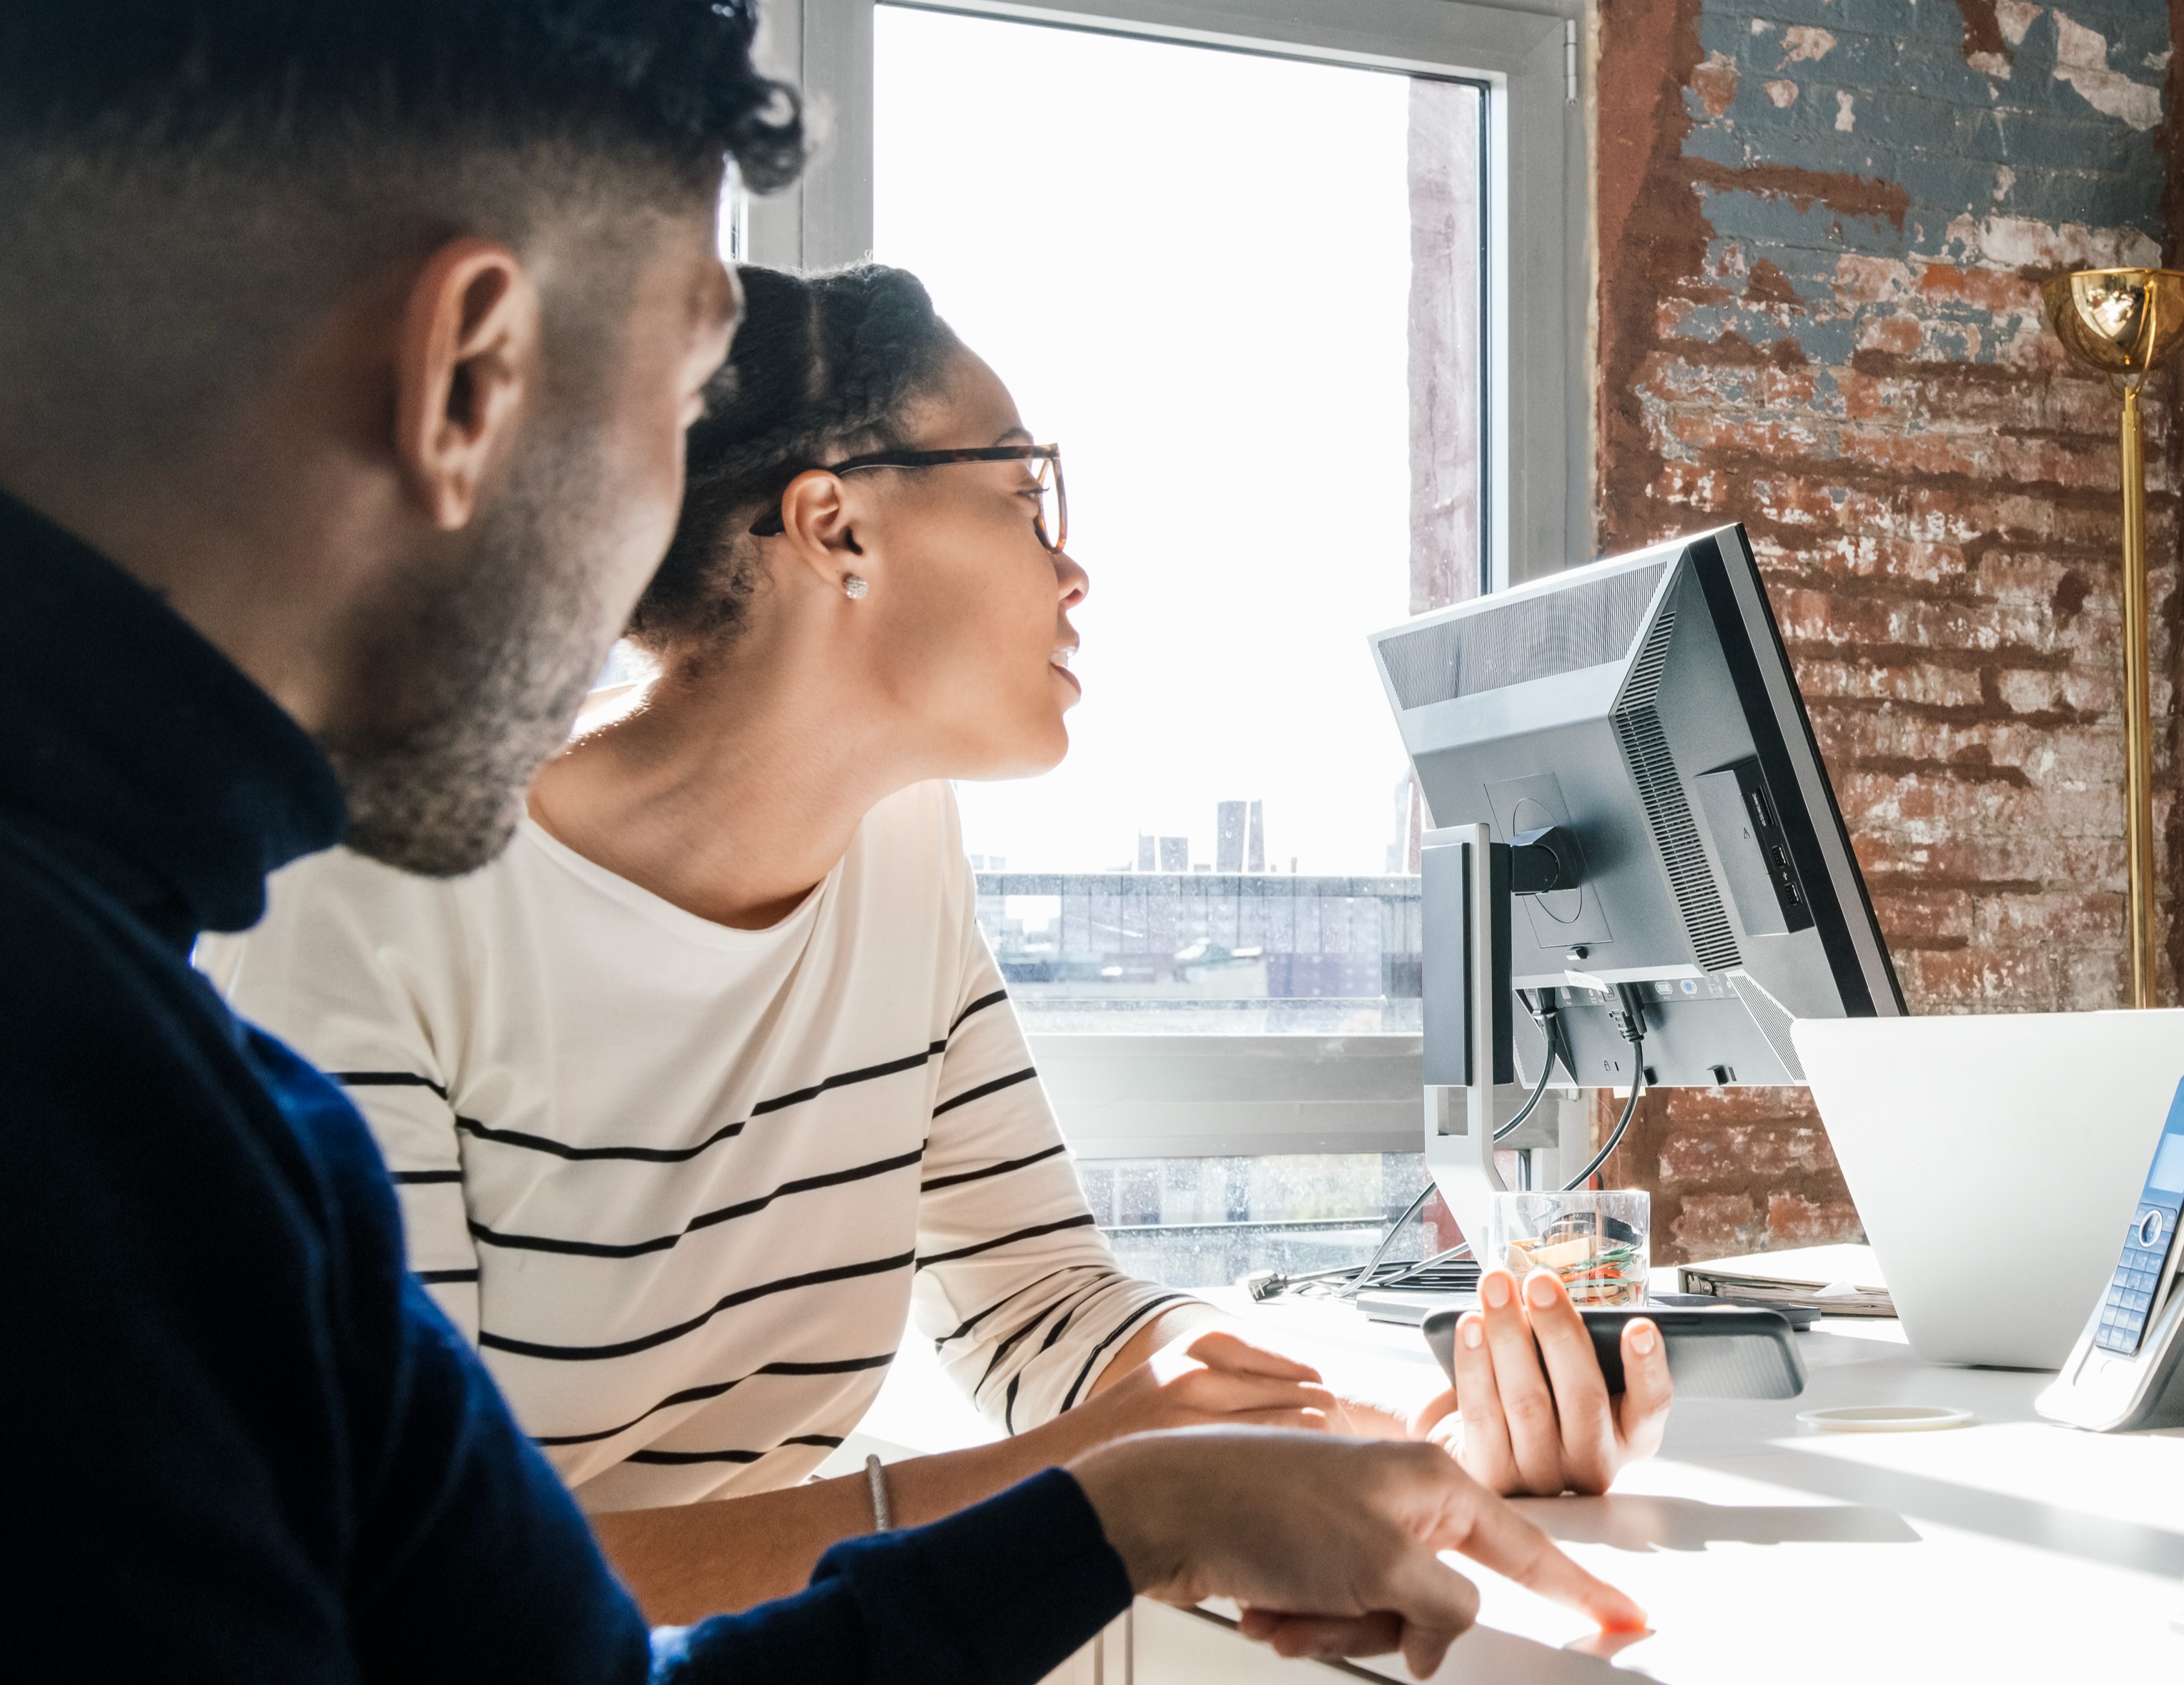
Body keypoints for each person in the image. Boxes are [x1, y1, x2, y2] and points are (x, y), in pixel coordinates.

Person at [0, 4, 1634, 1679]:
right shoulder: (142, 1085)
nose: (666, 505)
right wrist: (1099, 1489)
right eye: (675, 386)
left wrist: (1192, 1472)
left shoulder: (179, 1059)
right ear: (470, 371)